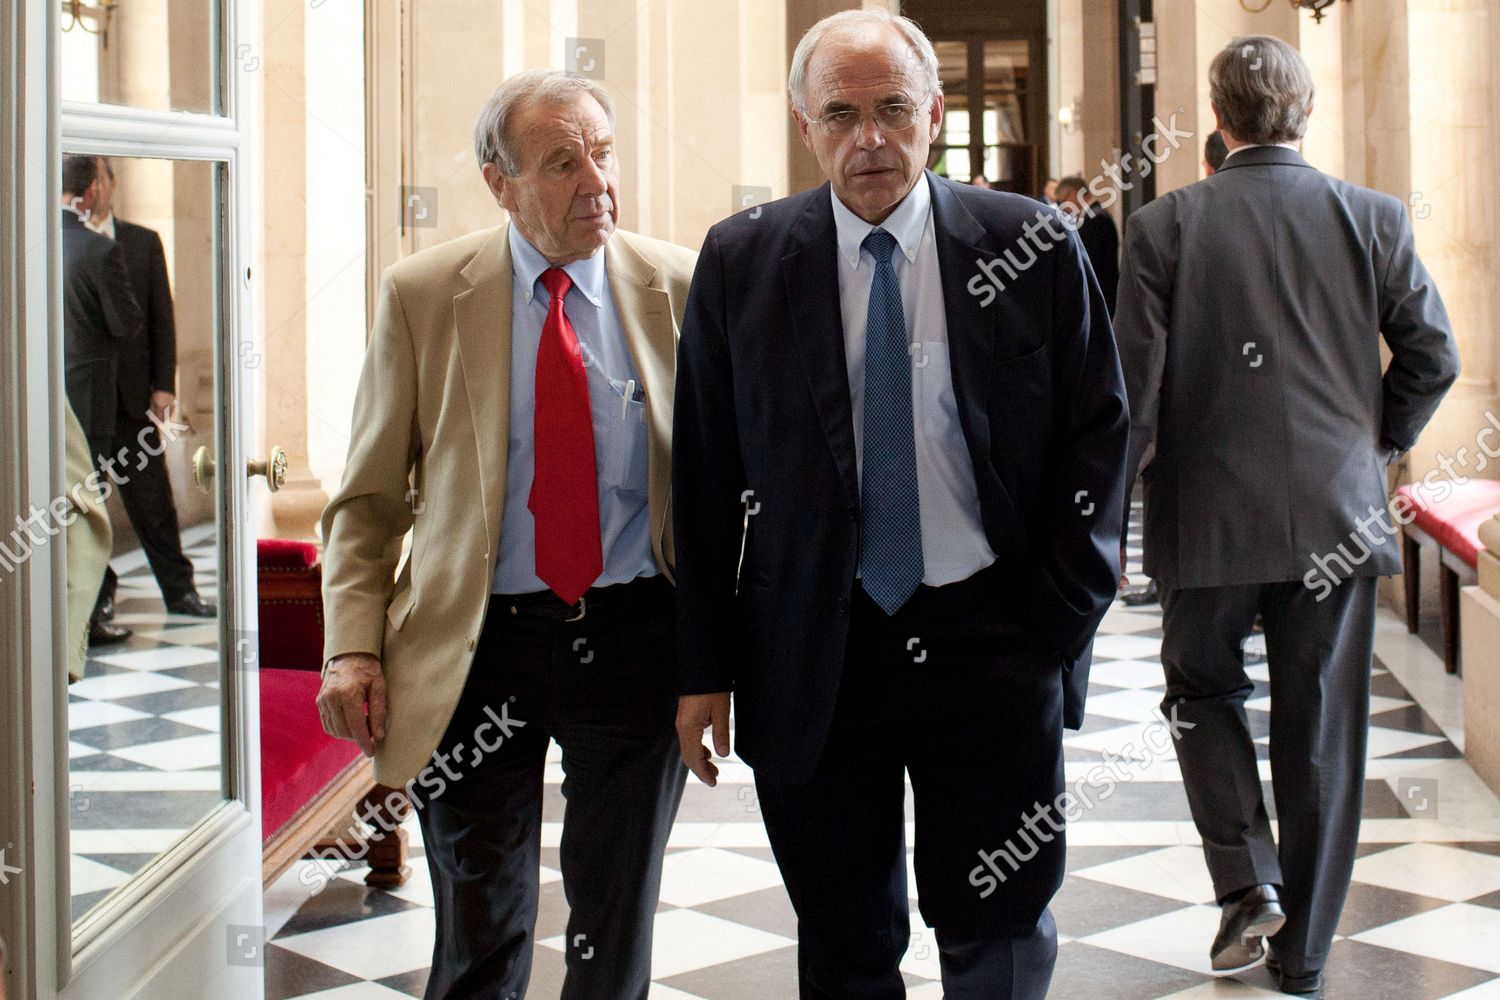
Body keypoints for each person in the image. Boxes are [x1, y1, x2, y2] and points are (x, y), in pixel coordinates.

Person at [673, 10, 1128, 998]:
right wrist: (704, 664)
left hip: (992, 638)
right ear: (805, 124)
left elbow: (1098, 435)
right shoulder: (743, 260)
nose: (868, 138)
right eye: (841, 113)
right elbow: (703, 475)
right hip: (812, 651)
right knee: (843, 938)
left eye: (892, 110)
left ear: (935, 113)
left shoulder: (1033, 246)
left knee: (999, 924)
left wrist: (1057, 616)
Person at [317, 69, 696, 1000]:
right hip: (480, 644)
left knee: (616, 920)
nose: (596, 183)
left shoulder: (680, 287)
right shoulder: (424, 295)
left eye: (603, 153)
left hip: (635, 636)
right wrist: (350, 648)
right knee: (483, 924)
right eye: (562, 163)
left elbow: (732, 488)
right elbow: (367, 501)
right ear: (499, 181)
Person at [1114, 35, 1459, 996]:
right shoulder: (1374, 218)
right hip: (1337, 519)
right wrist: (1372, 446)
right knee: (1320, 731)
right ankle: (1301, 958)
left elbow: (1132, 399)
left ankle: (1245, 882)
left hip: (1205, 521)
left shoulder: (1164, 225)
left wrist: (1102, 526)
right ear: (1304, 114)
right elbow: (1435, 357)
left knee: (1198, 691)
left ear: (1216, 123)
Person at [87, 158, 215, 620]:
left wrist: (164, 386)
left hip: (135, 401)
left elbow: (163, 318)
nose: (93, 189)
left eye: (99, 179)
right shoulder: (61, 242)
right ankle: (98, 598)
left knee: (153, 500)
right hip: (83, 404)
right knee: (86, 507)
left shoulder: (143, 243)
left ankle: (180, 591)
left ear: (111, 184)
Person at [61, 154, 142, 646]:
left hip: (50, 395)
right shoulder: (99, 251)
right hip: (90, 402)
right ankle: (87, 616)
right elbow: (126, 324)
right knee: (86, 509)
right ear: (92, 189)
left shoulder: (32, 240)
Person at [1055, 175, 1119, 318]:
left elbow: (1090, 262)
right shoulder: (1095, 216)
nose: (1063, 208)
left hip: (1099, 296)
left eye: (1063, 201)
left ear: (1072, 195)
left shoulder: (1095, 219)